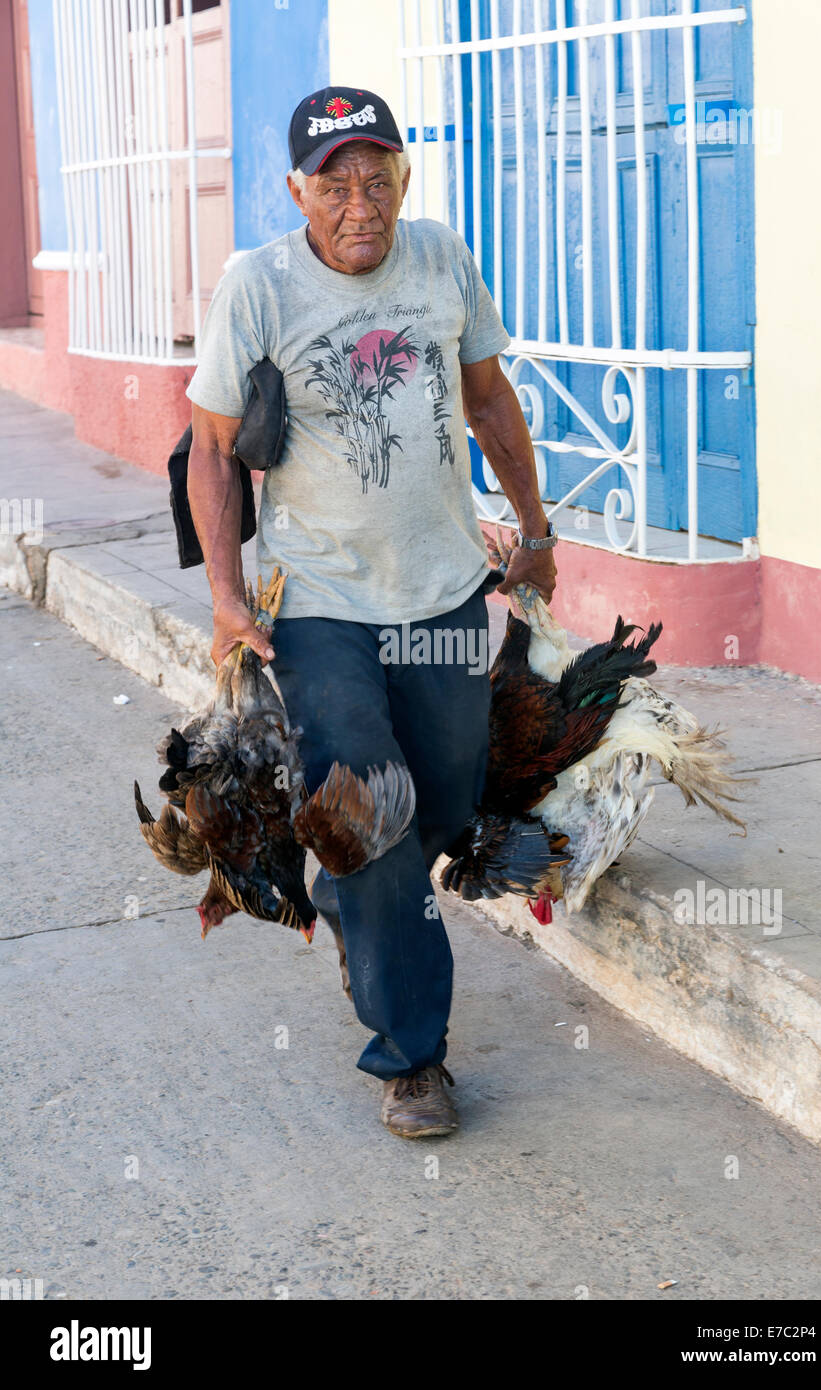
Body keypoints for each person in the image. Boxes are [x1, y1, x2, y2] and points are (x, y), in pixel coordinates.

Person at [186, 85, 557, 1139]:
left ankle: (354, 897)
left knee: (440, 809)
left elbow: (487, 399)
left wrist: (531, 533)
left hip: (442, 591)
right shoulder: (255, 284)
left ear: (405, 177)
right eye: (335, 182)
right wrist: (223, 596)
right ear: (295, 188)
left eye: (378, 175)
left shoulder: (439, 257)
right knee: (377, 812)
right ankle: (411, 1057)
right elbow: (211, 448)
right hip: (319, 605)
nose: (361, 202)